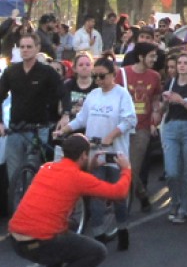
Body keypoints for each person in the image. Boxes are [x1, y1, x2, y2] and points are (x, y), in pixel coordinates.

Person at [8, 134, 131, 267]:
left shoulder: (46, 167)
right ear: (83, 156)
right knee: (98, 251)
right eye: (87, 155)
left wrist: (89, 168)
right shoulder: (78, 178)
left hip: (16, 240)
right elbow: (119, 193)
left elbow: (68, 179)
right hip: (40, 241)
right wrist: (126, 169)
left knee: (69, 226)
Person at [56, 57, 137, 247]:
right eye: (95, 76)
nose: (98, 80)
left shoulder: (122, 95)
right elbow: (81, 119)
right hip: (95, 154)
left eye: (102, 76)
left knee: (118, 196)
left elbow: (129, 120)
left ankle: (123, 231)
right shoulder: (93, 95)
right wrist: (64, 130)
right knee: (97, 198)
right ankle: (99, 237)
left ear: (113, 75)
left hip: (116, 154)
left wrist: (111, 135)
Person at [0, 34, 71, 213]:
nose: (25, 50)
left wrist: (66, 114)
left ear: (37, 48)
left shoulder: (46, 72)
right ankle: (17, 216)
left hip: (39, 130)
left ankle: (33, 215)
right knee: (14, 177)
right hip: (15, 130)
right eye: (22, 47)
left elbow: (63, 92)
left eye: (29, 46)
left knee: (32, 175)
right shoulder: (11, 72)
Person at [158, 53, 187, 223]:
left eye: (186, 63)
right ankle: (174, 202)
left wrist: (182, 102)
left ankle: (185, 208)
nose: (182, 66)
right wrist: (164, 102)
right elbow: (162, 109)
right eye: (179, 63)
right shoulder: (170, 83)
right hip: (171, 127)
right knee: (171, 171)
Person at [115, 42, 161, 212]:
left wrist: (156, 113)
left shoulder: (155, 76)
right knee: (123, 167)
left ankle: (122, 206)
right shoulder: (122, 74)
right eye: (151, 56)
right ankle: (142, 194)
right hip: (122, 127)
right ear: (141, 57)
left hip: (142, 127)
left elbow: (156, 99)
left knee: (132, 167)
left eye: (155, 56)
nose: (154, 59)